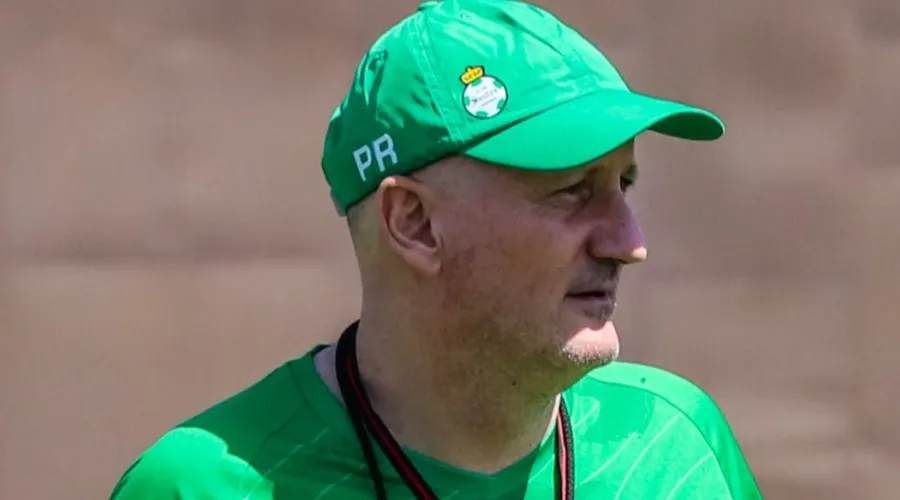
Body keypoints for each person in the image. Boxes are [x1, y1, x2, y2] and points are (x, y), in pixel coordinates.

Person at [109, 1, 764, 498]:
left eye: (623, 185)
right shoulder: (203, 486)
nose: (630, 243)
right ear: (415, 224)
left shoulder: (678, 444)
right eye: (572, 190)